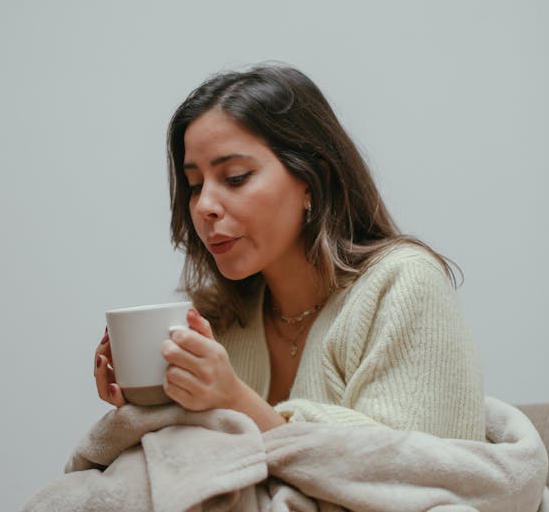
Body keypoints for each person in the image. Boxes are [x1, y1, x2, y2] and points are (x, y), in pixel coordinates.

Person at [95, 62, 485, 442]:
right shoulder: (219, 321)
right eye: (195, 185)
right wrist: (149, 408)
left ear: (312, 181)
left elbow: (412, 474)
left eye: (235, 177)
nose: (203, 206)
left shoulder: (403, 285)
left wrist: (234, 399)